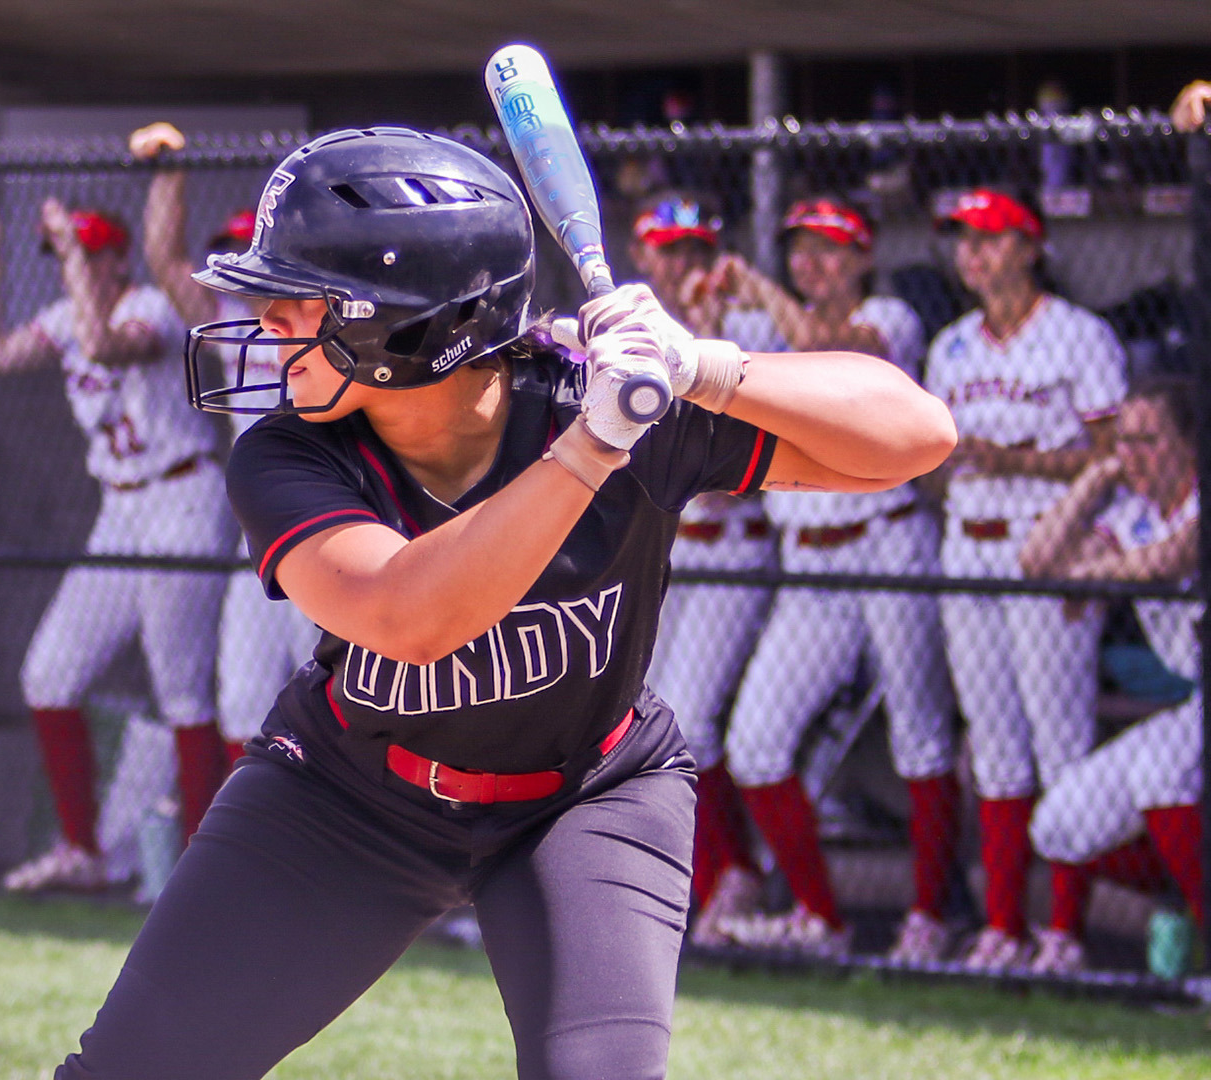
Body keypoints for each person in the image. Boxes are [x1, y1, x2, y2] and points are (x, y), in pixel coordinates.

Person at [57, 126, 955, 1079]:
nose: (266, 320)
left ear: (408, 326)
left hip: (589, 794)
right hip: (351, 793)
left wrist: (701, 369)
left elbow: (916, 436)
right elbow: (410, 616)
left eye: (295, 299)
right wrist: (595, 445)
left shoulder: (595, 403)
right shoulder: (290, 452)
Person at [704, 198, 959, 961]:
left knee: (920, 735)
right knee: (754, 742)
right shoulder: (761, 327)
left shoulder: (892, 314)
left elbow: (828, 344)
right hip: (809, 558)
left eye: (830, 250)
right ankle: (821, 916)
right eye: (801, 251)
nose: (813, 264)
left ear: (862, 257)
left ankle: (932, 915)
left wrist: (761, 294)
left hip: (889, 545)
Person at [0, 191, 235, 893]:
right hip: (118, 508)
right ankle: (82, 849)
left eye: (82, 254)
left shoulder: (149, 307)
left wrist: (80, 262)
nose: (68, 268)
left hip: (181, 497)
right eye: (62, 256)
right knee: (49, 674)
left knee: (182, 688)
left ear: (116, 259)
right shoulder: (65, 314)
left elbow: (107, 346)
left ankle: (207, 865)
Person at [925, 188, 1127, 971]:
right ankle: (1004, 928)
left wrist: (1018, 462)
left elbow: (1118, 455)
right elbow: (936, 463)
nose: (971, 251)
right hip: (967, 544)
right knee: (997, 747)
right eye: (962, 238)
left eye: (988, 236)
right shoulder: (951, 346)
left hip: (1047, 545)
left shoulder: (1080, 335)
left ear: (1031, 245)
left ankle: (1065, 935)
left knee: (1057, 743)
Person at [130, 120, 319, 764]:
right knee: (239, 697)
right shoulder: (229, 321)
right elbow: (163, 259)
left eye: (251, 250)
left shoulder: (314, 315)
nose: (243, 267)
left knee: (326, 690)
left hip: (322, 511)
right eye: (231, 252)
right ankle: (244, 845)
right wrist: (170, 175)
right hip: (256, 531)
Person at [627, 194, 784, 944]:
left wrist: (708, 327)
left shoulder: (749, 329)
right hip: (670, 546)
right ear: (643, 255)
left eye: (695, 249)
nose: (683, 264)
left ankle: (734, 875)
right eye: (668, 249)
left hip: (736, 544)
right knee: (650, 707)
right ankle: (712, 875)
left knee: (690, 716)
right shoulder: (626, 332)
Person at [1019, 377, 1202, 975]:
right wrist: (1094, 476)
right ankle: (1180, 890)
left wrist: (1099, 578)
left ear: (1190, 445)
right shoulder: (1130, 513)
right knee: (1059, 826)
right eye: (1123, 442)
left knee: (1160, 771)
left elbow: (1174, 558)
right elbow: (1038, 562)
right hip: (1196, 705)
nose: (1133, 456)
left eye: (1149, 441)